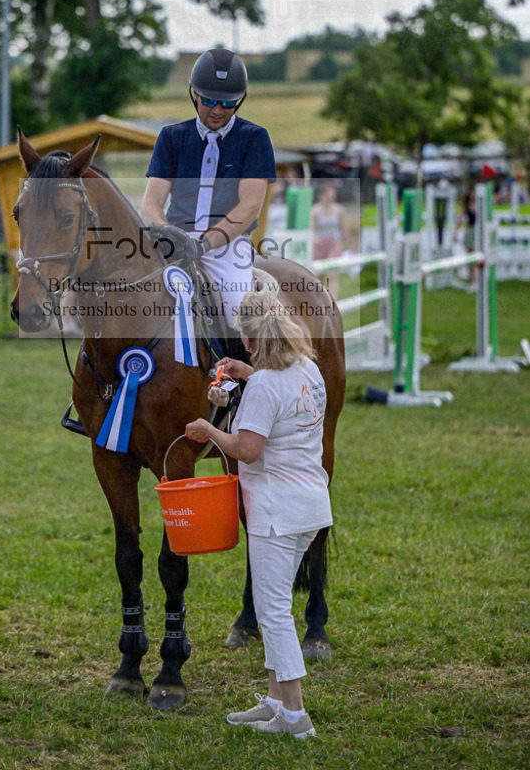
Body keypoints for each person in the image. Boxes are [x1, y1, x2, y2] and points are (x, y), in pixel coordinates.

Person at [185, 279, 332, 740]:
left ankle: (295, 715)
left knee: (271, 611)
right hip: (310, 506)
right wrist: (248, 374)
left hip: (275, 512)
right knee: (278, 605)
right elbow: (277, 389)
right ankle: (273, 703)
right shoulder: (309, 370)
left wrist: (209, 428)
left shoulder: (266, 387)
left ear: (247, 339)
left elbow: (247, 449)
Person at [140, 48, 277, 327]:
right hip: (172, 241)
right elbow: (151, 202)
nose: (217, 110)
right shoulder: (172, 137)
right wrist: (169, 235)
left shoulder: (254, 138)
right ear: (194, 94)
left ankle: (240, 370)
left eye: (228, 103)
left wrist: (203, 244)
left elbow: (250, 206)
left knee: (241, 316)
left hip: (226, 247)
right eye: (209, 100)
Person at [311, 183, 346, 298]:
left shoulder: (338, 210)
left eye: (332, 196)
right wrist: (314, 238)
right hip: (319, 244)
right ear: (321, 195)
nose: (330, 199)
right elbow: (311, 228)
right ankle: (319, 301)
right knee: (319, 275)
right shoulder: (315, 210)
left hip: (334, 242)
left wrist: (347, 244)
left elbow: (343, 228)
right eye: (328, 196)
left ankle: (332, 302)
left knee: (332, 274)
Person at [456, 184, 477, 290]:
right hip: (469, 231)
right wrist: (456, 232)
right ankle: (472, 281)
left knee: (474, 258)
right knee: (470, 259)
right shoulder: (466, 204)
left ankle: (475, 281)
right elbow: (461, 218)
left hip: (477, 232)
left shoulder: (480, 204)